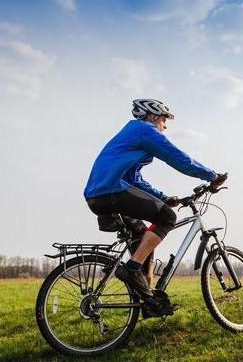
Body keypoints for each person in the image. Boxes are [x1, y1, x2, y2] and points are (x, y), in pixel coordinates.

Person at [83, 98, 225, 299]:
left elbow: (135, 179)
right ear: (152, 116)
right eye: (164, 120)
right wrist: (212, 176)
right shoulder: (144, 130)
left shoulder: (132, 134)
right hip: (111, 190)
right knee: (167, 218)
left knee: (143, 240)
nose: (165, 126)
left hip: (99, 195)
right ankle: (131, 269)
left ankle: (148, 300)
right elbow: (177, 157)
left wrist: (163, 197)